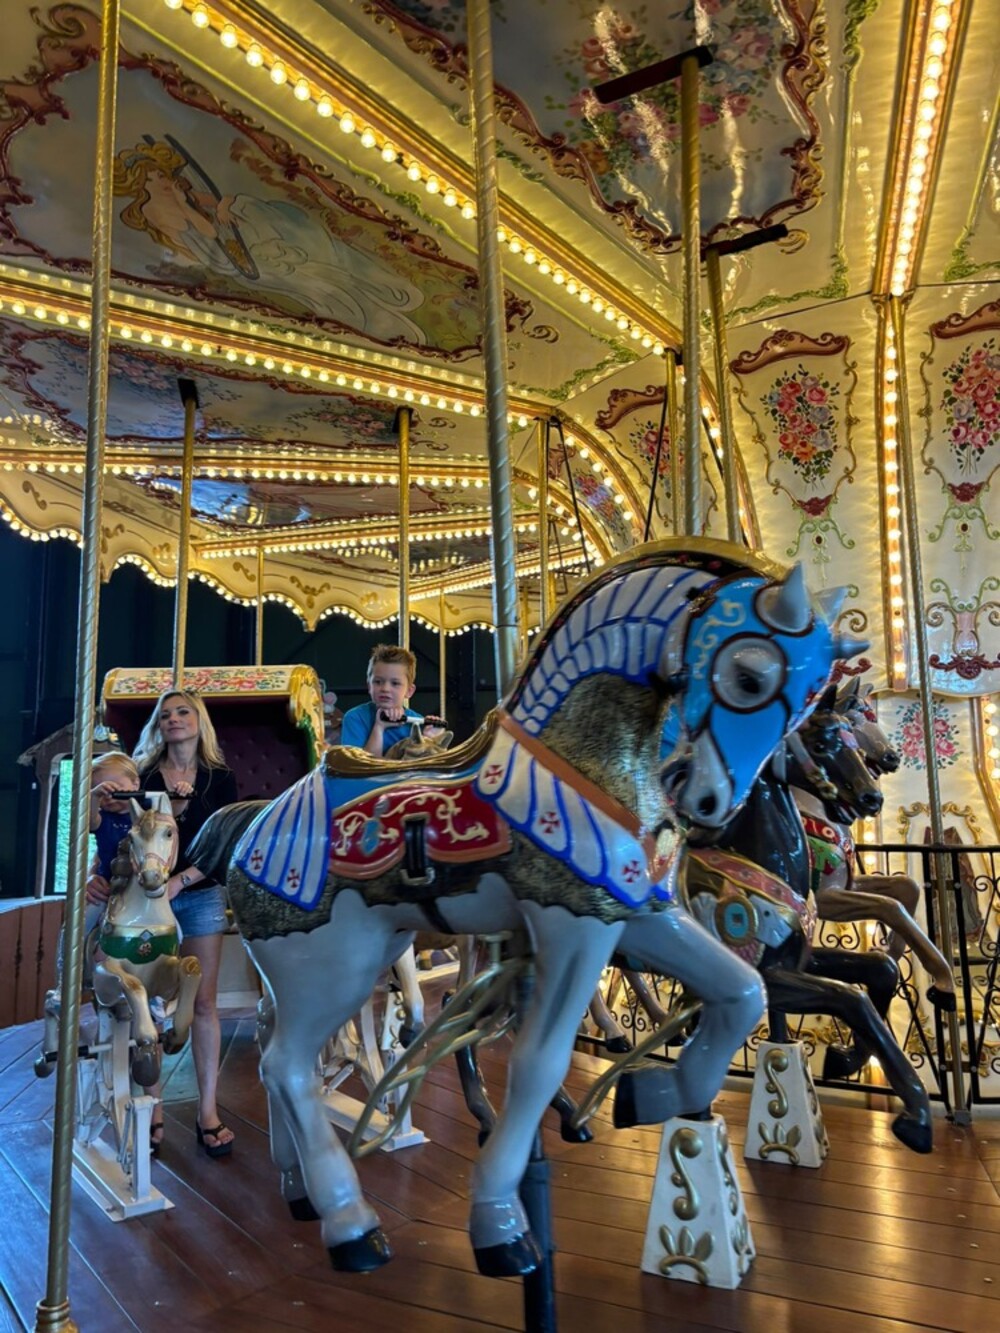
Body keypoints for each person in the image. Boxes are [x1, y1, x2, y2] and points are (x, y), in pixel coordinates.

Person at [87, 688, 238, 1158]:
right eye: (165, 714)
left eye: (183, 712)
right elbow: (115, 836)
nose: (174, 719)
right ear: (158, 725)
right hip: (145, 902)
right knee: (148, 1003)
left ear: (199, 720)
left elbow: (222, 843)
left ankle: (207, 1110)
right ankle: (152, 1108)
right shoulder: (143, 775)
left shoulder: (219, 779)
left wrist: (180, 882)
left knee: (205, 1001)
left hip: (198, 893)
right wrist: (94, 873)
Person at [339, 644, 446, 757]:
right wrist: (379, 728)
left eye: (395, 683)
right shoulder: (355, 718)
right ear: (369, 686)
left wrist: (430, 740)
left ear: (409, 691)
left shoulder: (417, 723)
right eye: (378, 682)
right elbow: (361, 765)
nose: (385, 689)